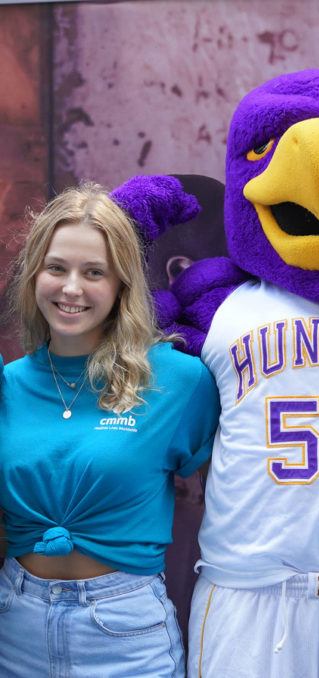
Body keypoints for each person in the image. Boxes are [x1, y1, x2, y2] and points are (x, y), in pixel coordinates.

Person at [0, 184, 220, 677]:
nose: (71, 288)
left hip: (124, 633)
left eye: (93, 272)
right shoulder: (8, 386)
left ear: (122, 284)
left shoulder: (177, 382)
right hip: (14, 625)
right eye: (56, 268)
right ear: (34, 274)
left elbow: (223, 490)